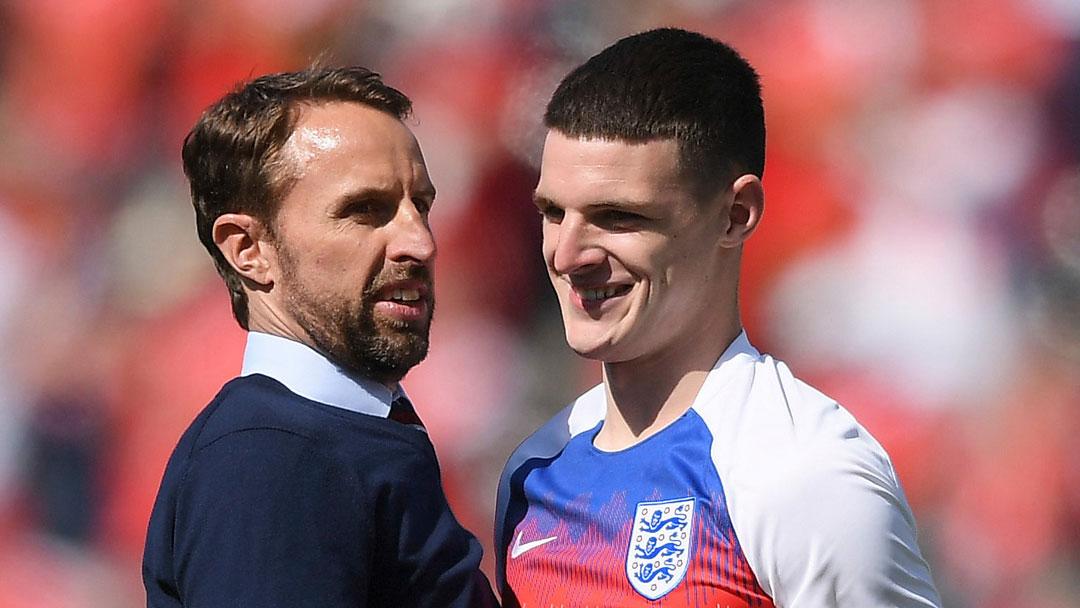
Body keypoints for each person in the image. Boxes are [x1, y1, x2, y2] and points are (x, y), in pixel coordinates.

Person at [495, 28, 942, 607]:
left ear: (735, 214)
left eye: (618, 216)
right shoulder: (534, 470)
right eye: (553, 212)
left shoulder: (802, 475)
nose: (566, 254)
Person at [143, 66, 497, 607]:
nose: (420, 242)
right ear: (248, 249)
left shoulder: (329, 438)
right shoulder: (268, 462)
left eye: (420, 206)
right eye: (364, 211)